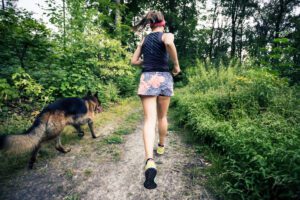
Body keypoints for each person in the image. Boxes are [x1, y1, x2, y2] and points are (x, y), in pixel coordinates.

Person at [131, 10, 181, 189]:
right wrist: (176, 65)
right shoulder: (166, 34)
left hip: (147, 79)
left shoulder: (144, 40)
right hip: (164, 78)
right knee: (162, 117)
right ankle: (161, 146)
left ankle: (149, 160)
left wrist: (146, 61)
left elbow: (133, 61)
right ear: (163, 23)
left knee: (149, 120)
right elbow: (168, 42)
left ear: (150, 24)